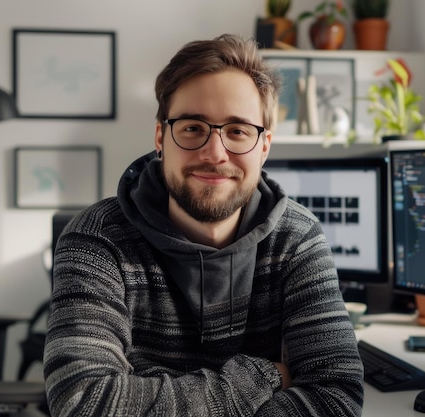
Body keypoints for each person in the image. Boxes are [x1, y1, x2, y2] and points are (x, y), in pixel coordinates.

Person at [43, 33, 364, 416]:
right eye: (193, 127)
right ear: (161, 136)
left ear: (264, 147)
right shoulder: (96, 238)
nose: (214, 153)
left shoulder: (297, 238)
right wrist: (261, 378)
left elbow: (336, 396)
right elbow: (83, 402)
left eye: (238, 131)